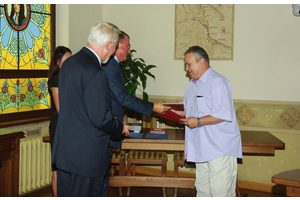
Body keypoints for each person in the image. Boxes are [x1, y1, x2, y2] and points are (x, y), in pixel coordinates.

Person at [51, 21, 130, 197]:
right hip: (86, 159)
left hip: (65, 154)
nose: (114, 51)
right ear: (108, 45)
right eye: (115, 46)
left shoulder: (69, 64)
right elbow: (100, 118)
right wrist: (119, 127)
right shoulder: (96, 72)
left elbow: (74, 109)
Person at [101, 31, 170, 196]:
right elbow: (122, 97)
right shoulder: (110, 66)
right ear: (118, 45)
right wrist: (153, 107)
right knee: (101, 179)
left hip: (109, 125)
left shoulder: (112, 65)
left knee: (102, 177)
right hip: (105, 128)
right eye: (128, 46)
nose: (130, 51)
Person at [179, 46, 242, 197]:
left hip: (219, 149)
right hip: (201, 149)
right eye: (186, 65)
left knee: (220, 193)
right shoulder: (192, 85)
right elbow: (187, 110)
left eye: (189, 64)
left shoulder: (218, 82)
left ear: (201, 61)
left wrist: (198, 121)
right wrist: (167, 111)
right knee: (202, 191)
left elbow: (223, 113)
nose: (187, 69)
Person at [47, 46, 72, 197]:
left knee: (67, 166)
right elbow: (61, 108)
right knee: (57, 167)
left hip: (68, 125)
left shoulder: (68, 78)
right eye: (67, 60)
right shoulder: (55, 80)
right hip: (60, 126)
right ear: (58, 62)